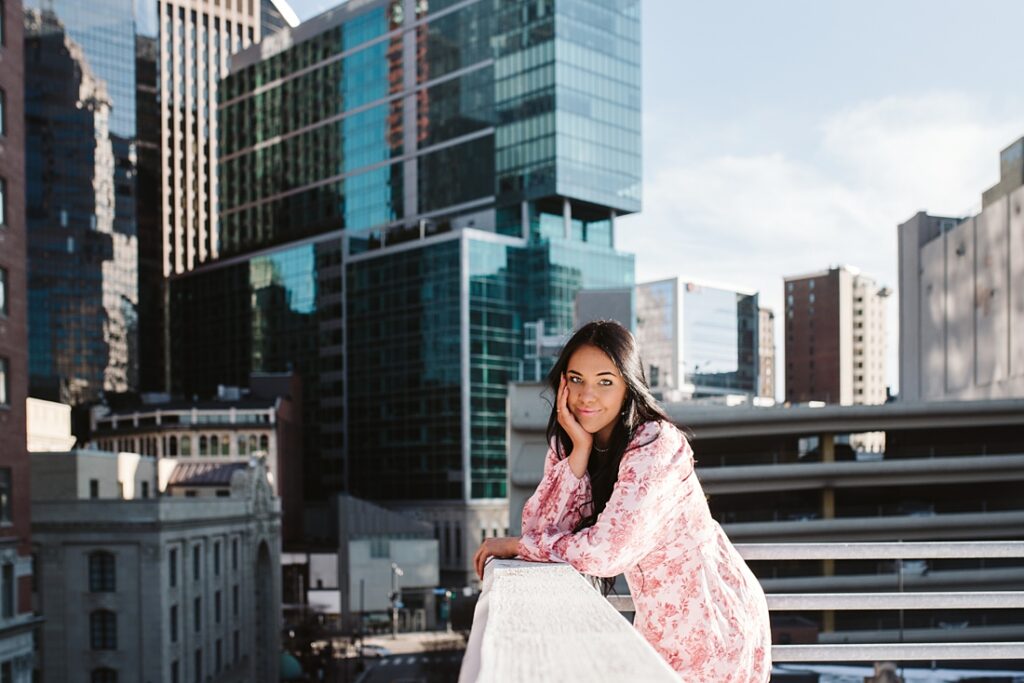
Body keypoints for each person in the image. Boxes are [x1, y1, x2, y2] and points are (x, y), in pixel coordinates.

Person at [472, 320, 771, 681]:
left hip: (713, 622)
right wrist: (579, 453)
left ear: (629, 387)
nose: (587, 396)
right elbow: (541, 530)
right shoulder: (571, 442)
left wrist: (522, 546)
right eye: (576, 379)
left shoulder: (657, 444)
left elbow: (605, 552)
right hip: (660, 623)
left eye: (605, 382)